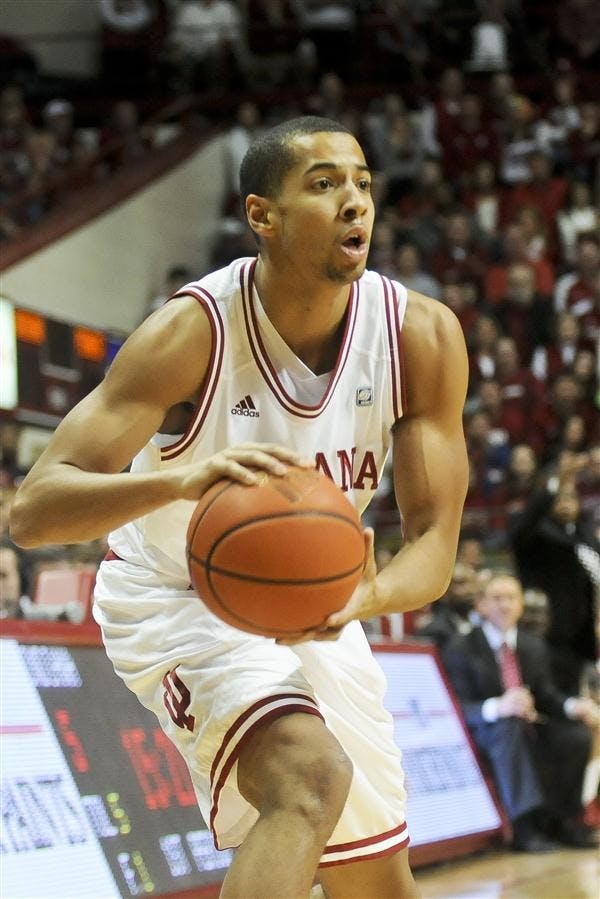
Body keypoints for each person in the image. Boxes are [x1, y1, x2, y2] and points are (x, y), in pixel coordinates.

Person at [10, 116, 469, 899]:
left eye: (361, 182)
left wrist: (370, 594)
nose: (354, 202)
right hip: (176, 592)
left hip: (315, 600)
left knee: (380, 882)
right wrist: (179, 482)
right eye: (324, 185)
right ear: (263, 214)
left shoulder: (419, 335)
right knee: (309, 780)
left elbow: (433, 542)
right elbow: (34, 510)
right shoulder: (192, 332)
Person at [443, 573, 599, 852]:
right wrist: (498, 706)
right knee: (509, 726)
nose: (504, 605)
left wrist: (573, 705)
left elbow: (546, 695)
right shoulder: (461, 648)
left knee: (575, 736)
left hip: (529, 723)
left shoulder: (533, 646)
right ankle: (525, 827)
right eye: (496, 598)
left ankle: (564, 821)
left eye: (511, 598)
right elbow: (457, 706)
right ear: (481, 605)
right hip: (485, 730)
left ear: (520, 606)